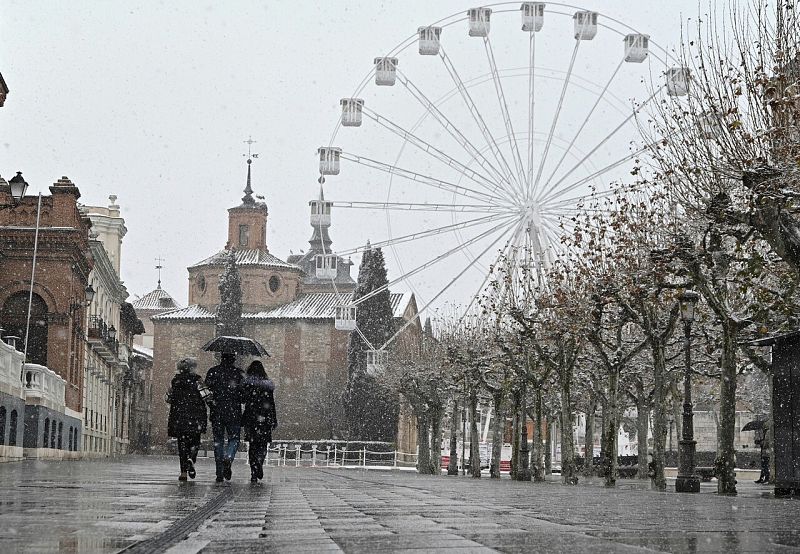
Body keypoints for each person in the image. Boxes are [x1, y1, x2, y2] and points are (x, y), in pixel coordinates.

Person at [166, 358, 207, 482]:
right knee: (195, 441)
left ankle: (183, 473)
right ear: (193, 368)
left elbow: (168, 398)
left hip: (179, 417)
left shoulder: (175, 381)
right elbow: (207, 396)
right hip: (196, 417)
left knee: (182, 444)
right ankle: (191, 459)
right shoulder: (198, 381)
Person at [205, 352, 244, 482]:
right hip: (234, 412)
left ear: (221, 359)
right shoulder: (239, 373)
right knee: (234, 439)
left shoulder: (213, 372)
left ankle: (219, 472)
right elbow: (244, 395)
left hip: (217, 412)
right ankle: (229, 456)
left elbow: (206, 392)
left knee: (218, 441)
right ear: (234, 360)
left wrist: (212, 404)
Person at [241, 360, 278, 482]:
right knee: (262, 444)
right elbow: (271, 404)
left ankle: (253, 471)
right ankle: (260, 463)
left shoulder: (247, 385)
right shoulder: (267, 386)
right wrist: (273, 419)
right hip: (265, 418)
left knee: (252, 445)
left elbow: (244, 401)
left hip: (251, 419)